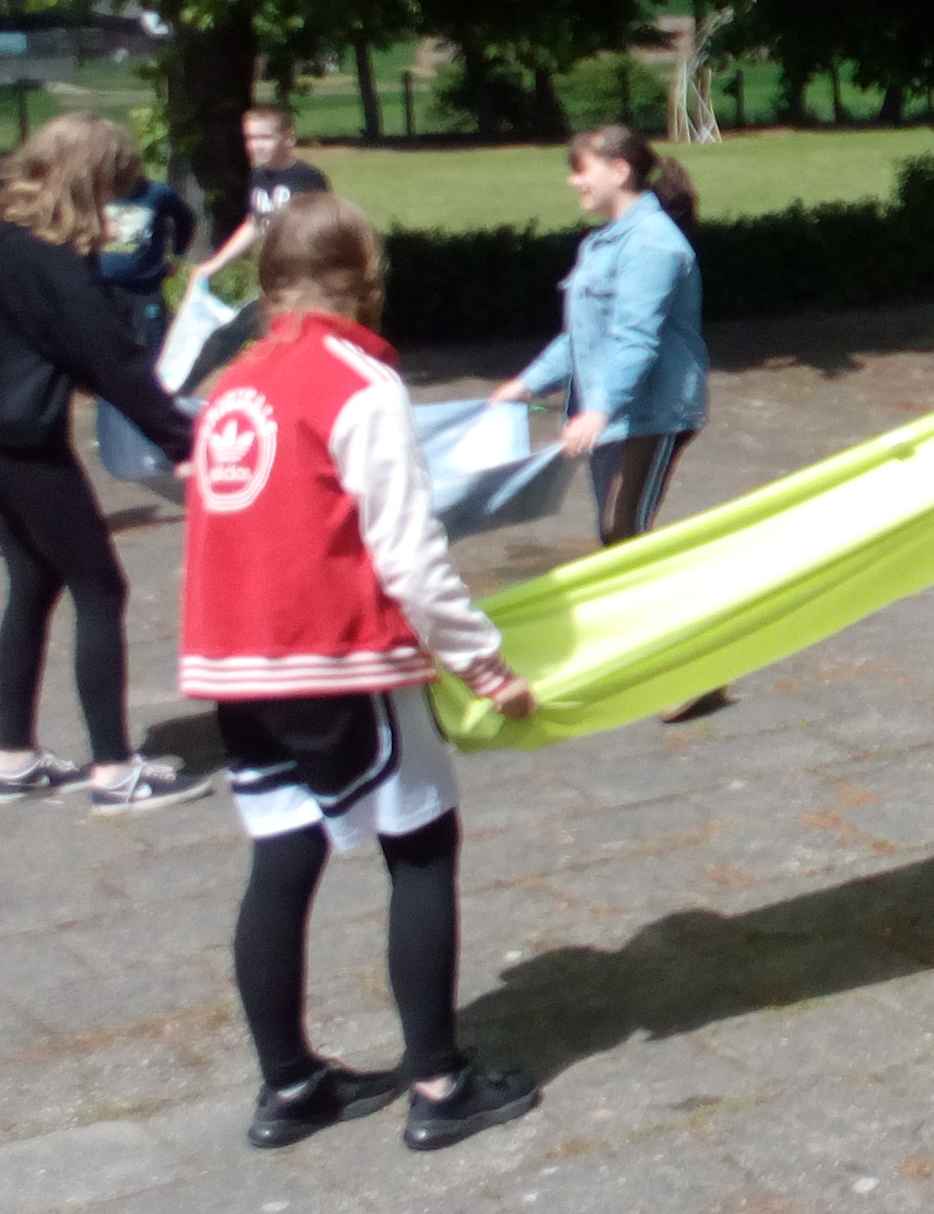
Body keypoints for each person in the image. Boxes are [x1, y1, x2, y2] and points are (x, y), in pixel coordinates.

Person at [180, 193, 545, 1152]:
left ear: (269, 281)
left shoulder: (233, 386)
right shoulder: (359, 383)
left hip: (236, 662)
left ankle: (290, 1084)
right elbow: (409, 555)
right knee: (420, 845)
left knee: (282, 855)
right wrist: (483, 663)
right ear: (366, 277)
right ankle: (440, 1083)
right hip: (337, 655)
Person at [0, 113, 208, 810]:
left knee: (32, 583)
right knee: (101, 589)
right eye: (115, 185)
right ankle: (115, 773)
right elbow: (113, 362)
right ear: (91, 180)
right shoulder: (46, 259)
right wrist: (187, 447)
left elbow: (48, 340)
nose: (118, 202)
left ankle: (14, 761)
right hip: (19, 440)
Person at [492, 125, 709, 551]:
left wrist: (598, 411)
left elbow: (636, 339)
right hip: (611, 412)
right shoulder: (600, 245)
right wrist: (527, 385)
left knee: (624, 528)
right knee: (614, 532)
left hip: (652, 412)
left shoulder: (653, 245)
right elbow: (581, 337)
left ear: (620, 171)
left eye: (583, 170)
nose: (574, 180)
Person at [198, 103, 332, 276]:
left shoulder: (306, 177)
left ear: (288, 138)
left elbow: (323, 229)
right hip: (273, 268)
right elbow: (255, 223)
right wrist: (216, 263)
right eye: (250, 138)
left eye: (265, 138)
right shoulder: (257, 177)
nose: (256, 145)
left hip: (305, 269)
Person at [96, 165, 198, 351]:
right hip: (104, 286)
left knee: (153, 347)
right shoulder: (98, 192)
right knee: (107, 347)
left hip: (146, 287)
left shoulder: (156, 193)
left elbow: (186, 219)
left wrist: (177, 255)